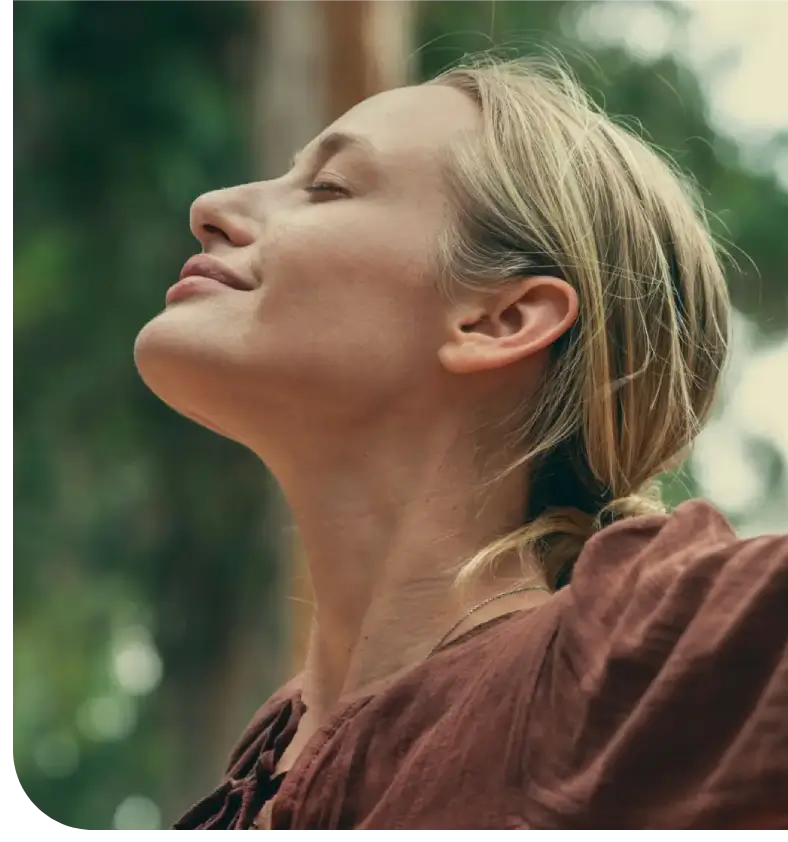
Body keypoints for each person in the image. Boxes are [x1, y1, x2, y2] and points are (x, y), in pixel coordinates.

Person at [134, 55, 787, 832]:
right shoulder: (259, 772)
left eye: (328, 187)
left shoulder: (629, 658)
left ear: (500, 319)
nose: (211, 206)